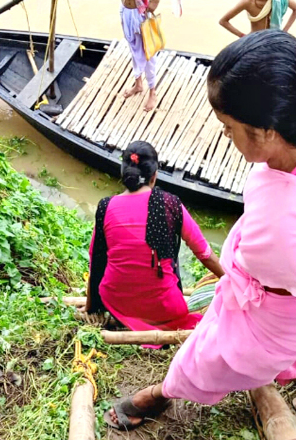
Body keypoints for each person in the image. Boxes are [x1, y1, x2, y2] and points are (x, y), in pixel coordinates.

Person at [103, 31, 296, 440]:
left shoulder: (294, 226)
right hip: (269, 301)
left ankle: (161, 392)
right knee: (283, 356)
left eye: (228, 128)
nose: (225, 136)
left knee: (200, 363)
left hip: (263, 319)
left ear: (266, 131)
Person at [86, 141, 224, 342]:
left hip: (115, 301)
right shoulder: (170, 204)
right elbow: (204, 254)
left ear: (123, 171)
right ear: (155, 175)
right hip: (165, 309)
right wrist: (231, 280)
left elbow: (96, 261)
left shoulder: (105, 206)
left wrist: (92, 307)